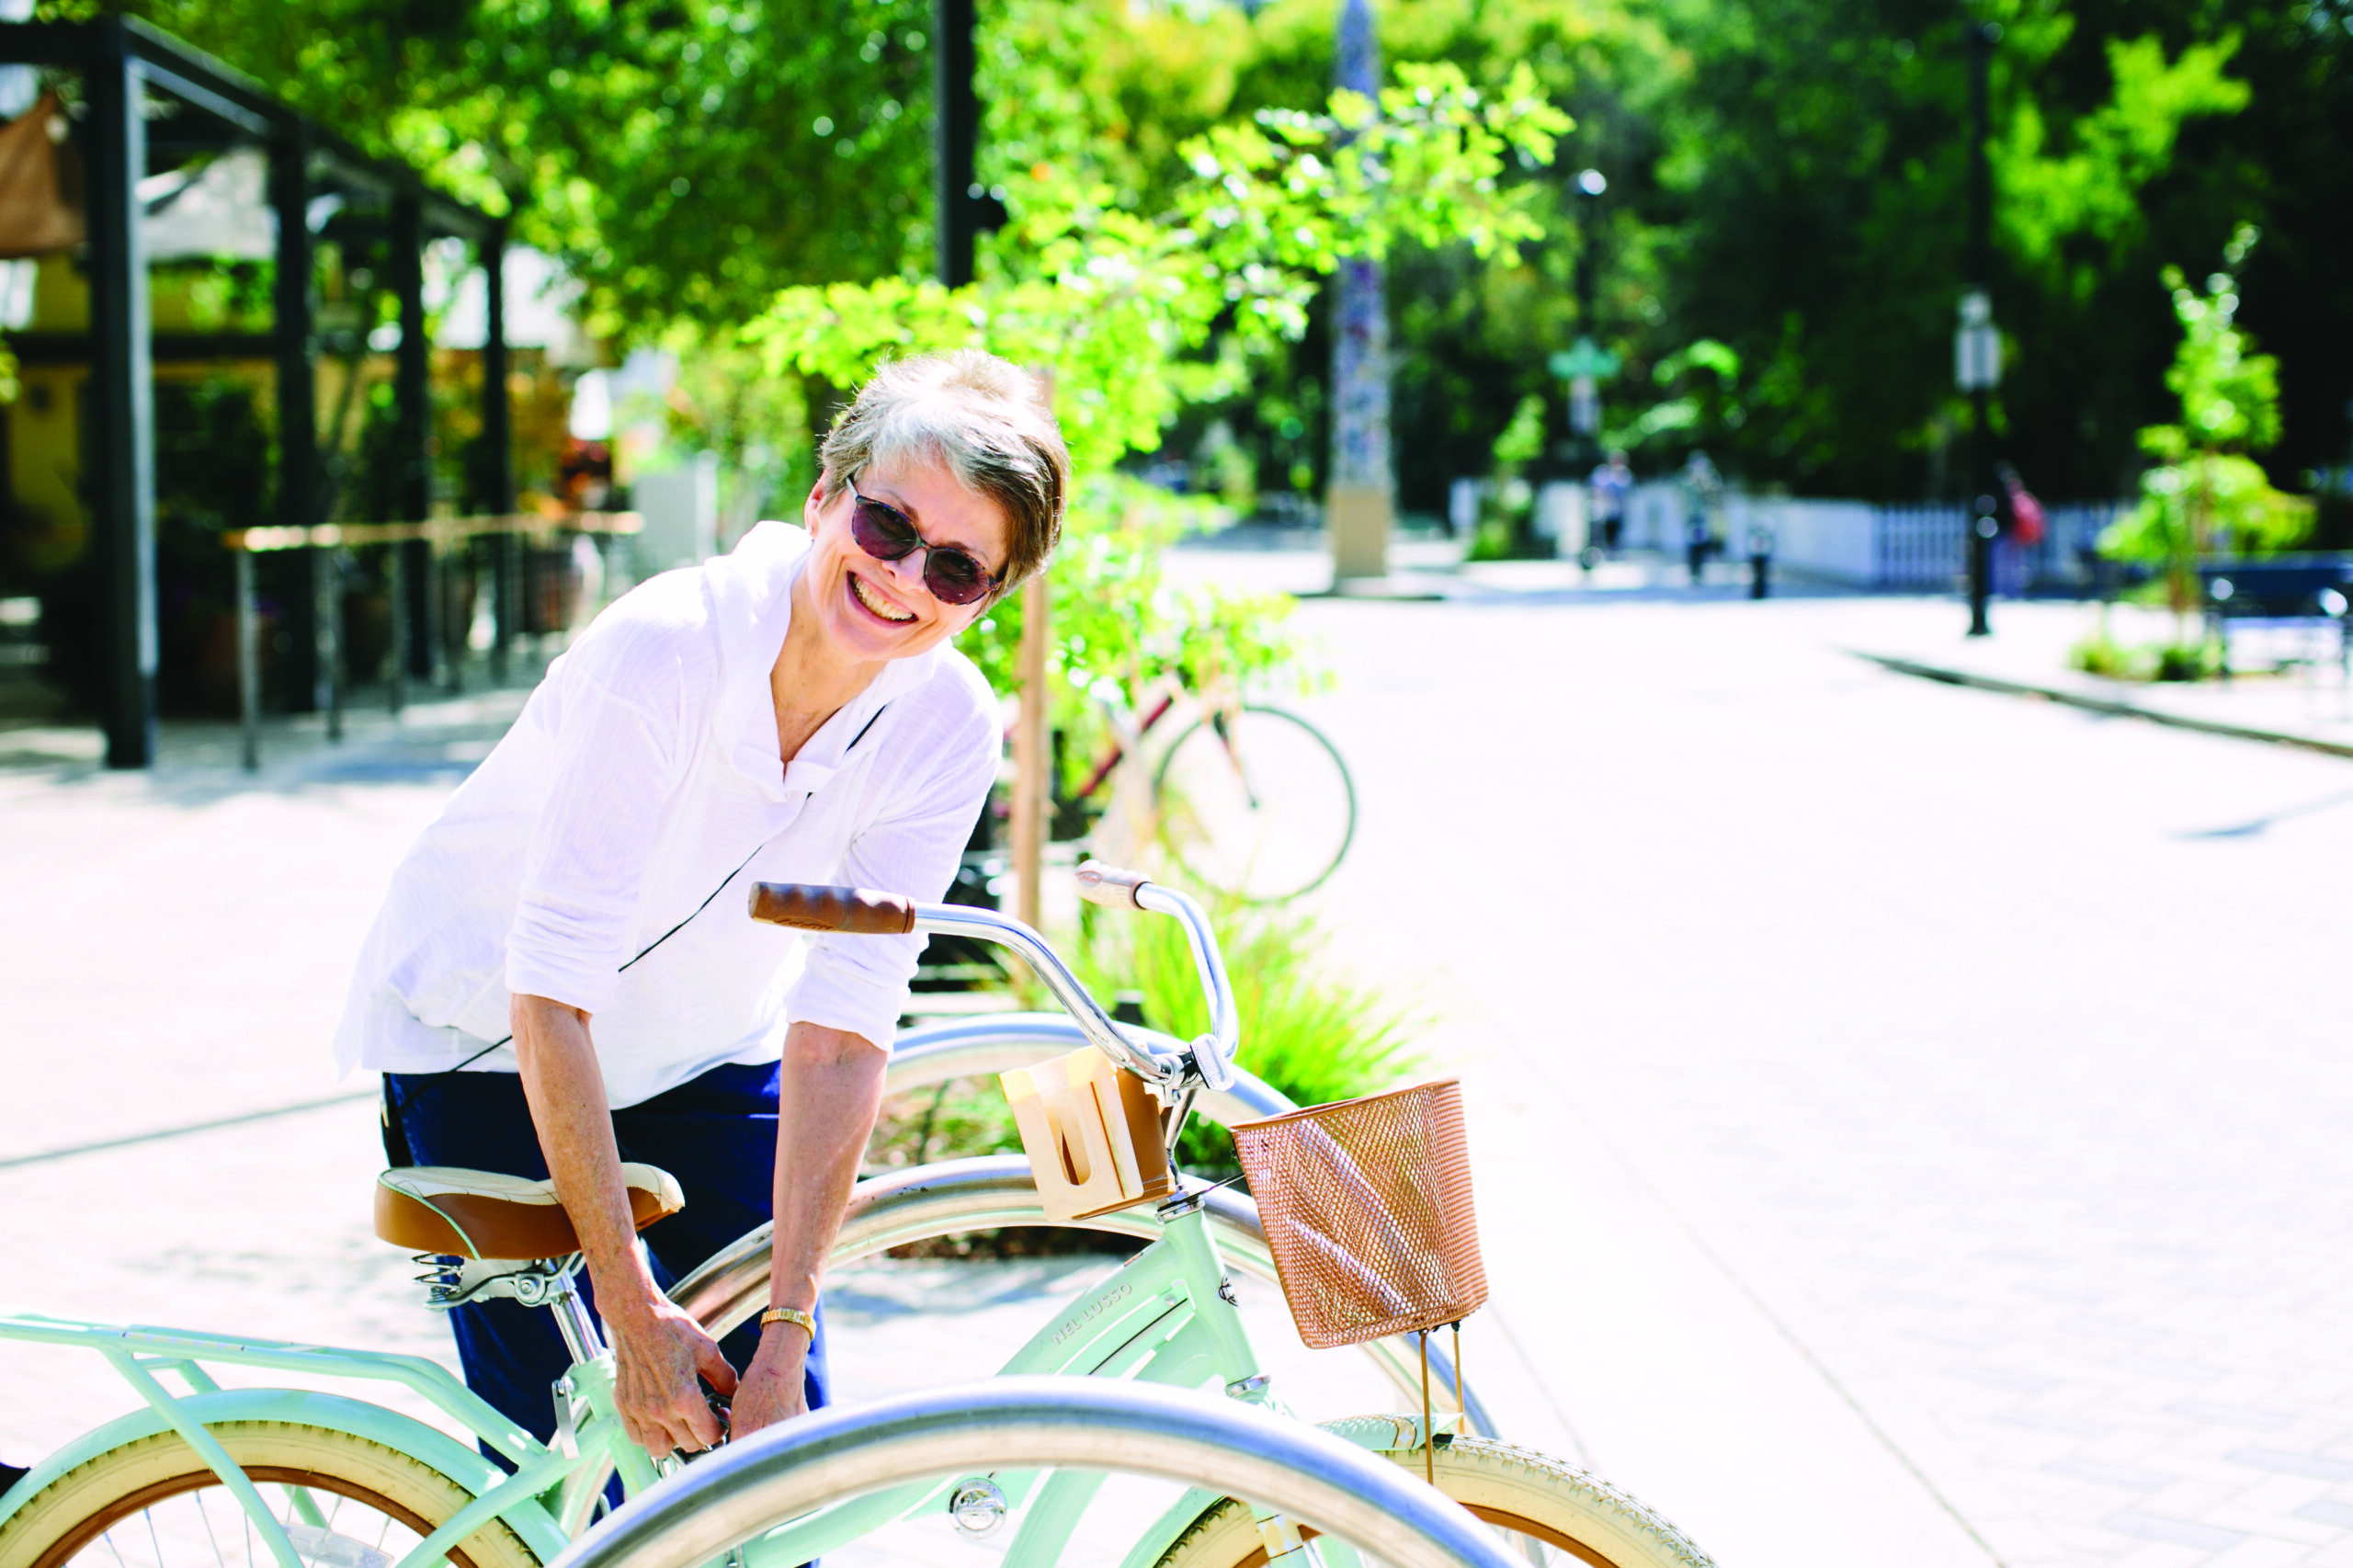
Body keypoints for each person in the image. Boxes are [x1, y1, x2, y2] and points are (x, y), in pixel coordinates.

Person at [335, 349, 1066, 1456]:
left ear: (988, 596)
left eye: (957, 567)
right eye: (886, 528)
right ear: (825, 499)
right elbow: (550, 986)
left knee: (773, 1460)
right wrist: (633, 1314)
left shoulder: (946, 727)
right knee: (572, 1467)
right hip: (487, 1039)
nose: (908, 576)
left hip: (703, 1055)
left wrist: (787, 1328)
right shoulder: (670, 647)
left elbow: (844, 1027)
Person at [1588, 449, 1632, 555]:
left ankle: (1613, 549)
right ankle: (1597, 550)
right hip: (1602, 507)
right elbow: (1594, 487)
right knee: (1599, 530)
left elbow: (1627, 491)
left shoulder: (1625, 475)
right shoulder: (1602, 472)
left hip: (1617, 509)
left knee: (1615, 530)